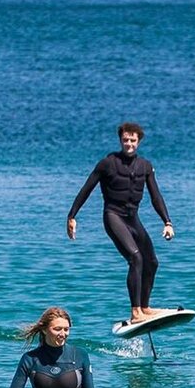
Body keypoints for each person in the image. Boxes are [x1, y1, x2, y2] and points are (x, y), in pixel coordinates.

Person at [67, 122, 175, 324]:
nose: (129, 144)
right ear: (120, 140)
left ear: (139, 141)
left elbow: (156, 196)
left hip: (133, 219)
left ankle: (145, 307)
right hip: (113, 216)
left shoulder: (145, 166)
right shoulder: (107, 164)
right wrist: (72, 216)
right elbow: (86, 188)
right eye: (125, 140)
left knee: (151, 261)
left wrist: (167, 222)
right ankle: (135, 313)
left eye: (132, 140)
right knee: (135, 258)